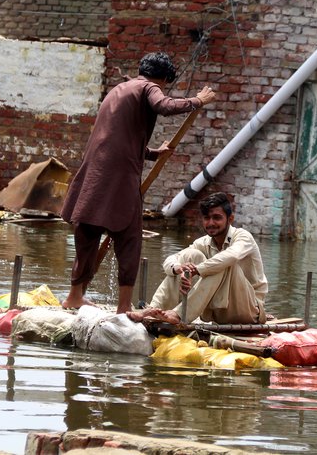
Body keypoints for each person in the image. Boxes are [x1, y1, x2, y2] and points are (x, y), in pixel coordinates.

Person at [61, 52, 216, 312]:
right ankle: (124, 307)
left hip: (95, 175)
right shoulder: (148, 87)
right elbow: (164, 106)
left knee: (87, 234)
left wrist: (153, 153)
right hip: (119, 178)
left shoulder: (119, 89)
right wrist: (197, 101)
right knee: (129, 238)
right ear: (165, 78)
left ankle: (74, 296)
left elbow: (118, 138)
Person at [133, 192, 268, 325]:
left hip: (249, 310)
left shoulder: (243, 236)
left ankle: (178, 314)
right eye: (207, 218)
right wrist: (179, 269)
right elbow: (172, 259)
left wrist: (196, 270)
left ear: (230, 219)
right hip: (218, 312)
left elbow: (231, 256)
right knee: (190, 256)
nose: (211, 223)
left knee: (223, 262)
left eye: (217, 218)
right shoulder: (203, 242)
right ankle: (152, 309)